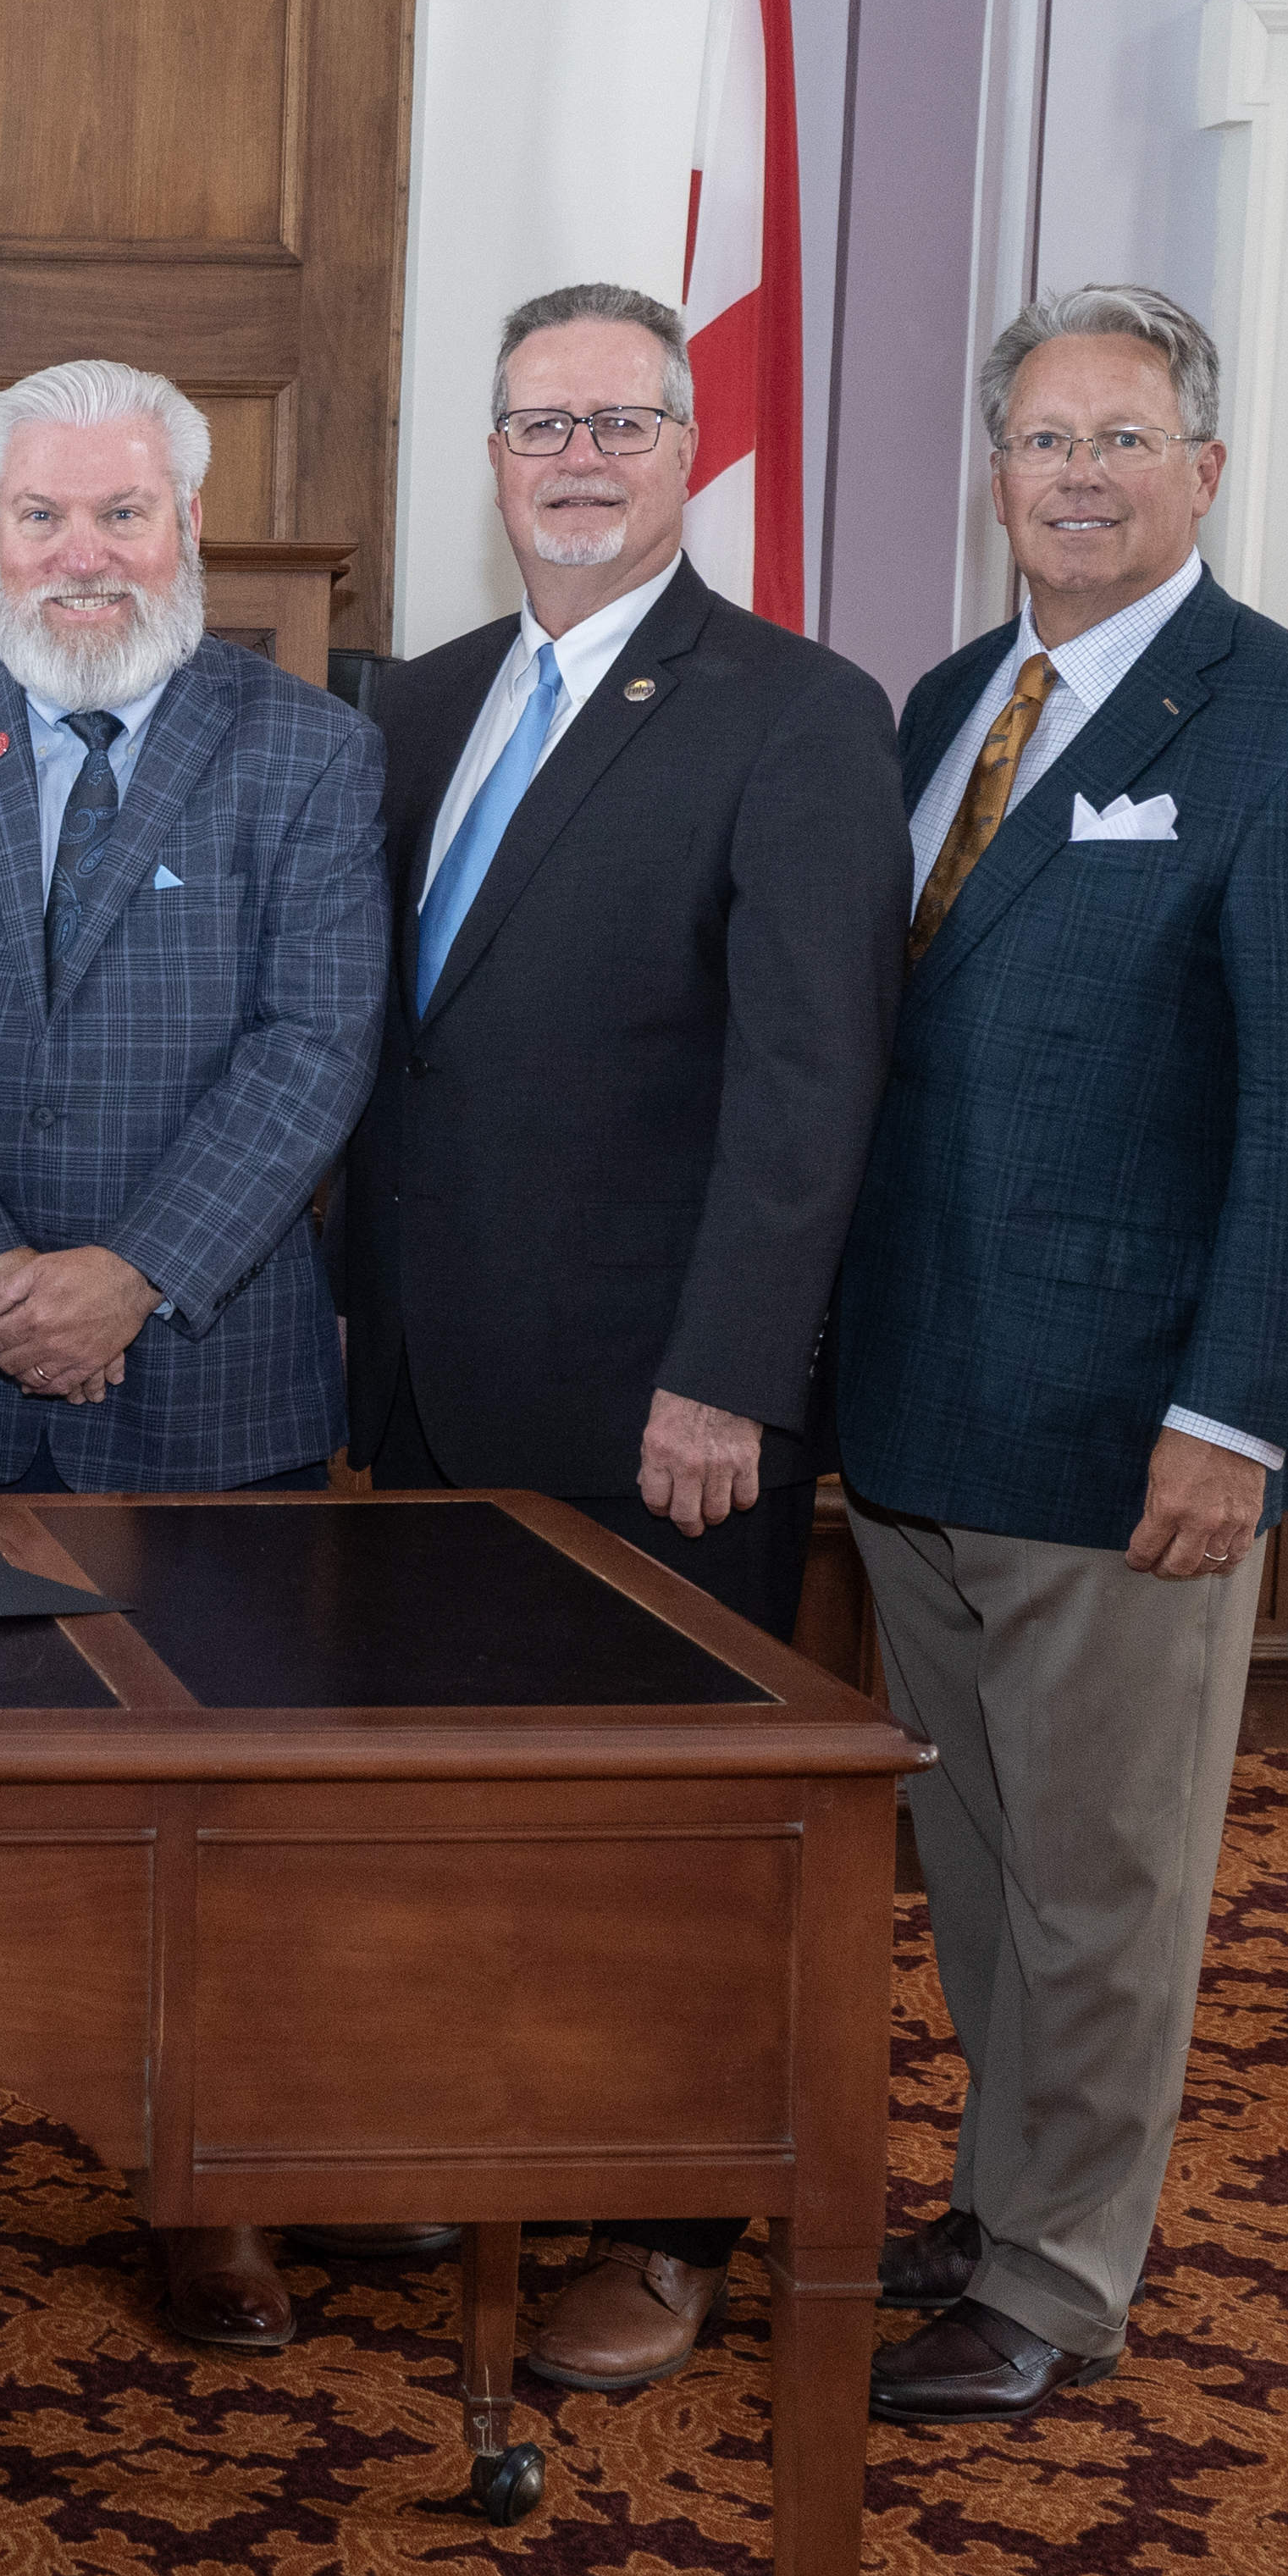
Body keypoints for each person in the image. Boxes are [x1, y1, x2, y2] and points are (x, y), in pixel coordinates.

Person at [838, 285, 1288, 2424]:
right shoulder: (934, 704)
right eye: (1040, 439)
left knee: (1106, 1880)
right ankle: (1012, 2196)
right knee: (983, 1860)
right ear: (991, 469)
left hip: (1131, 1427)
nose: (1077, 476)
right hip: (917, 1404)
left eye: (1122, 438)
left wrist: (1238, 1415)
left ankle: (1065, 2275)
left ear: (1201, 468)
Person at [335, 282, 909, 2390]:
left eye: (623, 422)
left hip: (658, 1394)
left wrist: (737, 1363)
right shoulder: (417, 702)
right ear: (488, 456)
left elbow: (811, 1074)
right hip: (418, 1378)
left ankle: (669, 2225)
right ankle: (484, 2141)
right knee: (461, 1806)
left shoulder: (794, 707)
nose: (578, 457)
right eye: (539, 422)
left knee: (673, 1824)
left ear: (692, 450)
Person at [0, 357, 384, 2348]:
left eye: (120, 513)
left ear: (186, 529)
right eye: (43, 515)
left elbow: (317, 1050)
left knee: (204, 1795)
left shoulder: (304, 754)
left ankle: (199, 2170)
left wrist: (133, 1270)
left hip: (212, 1373)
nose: (83, 553)